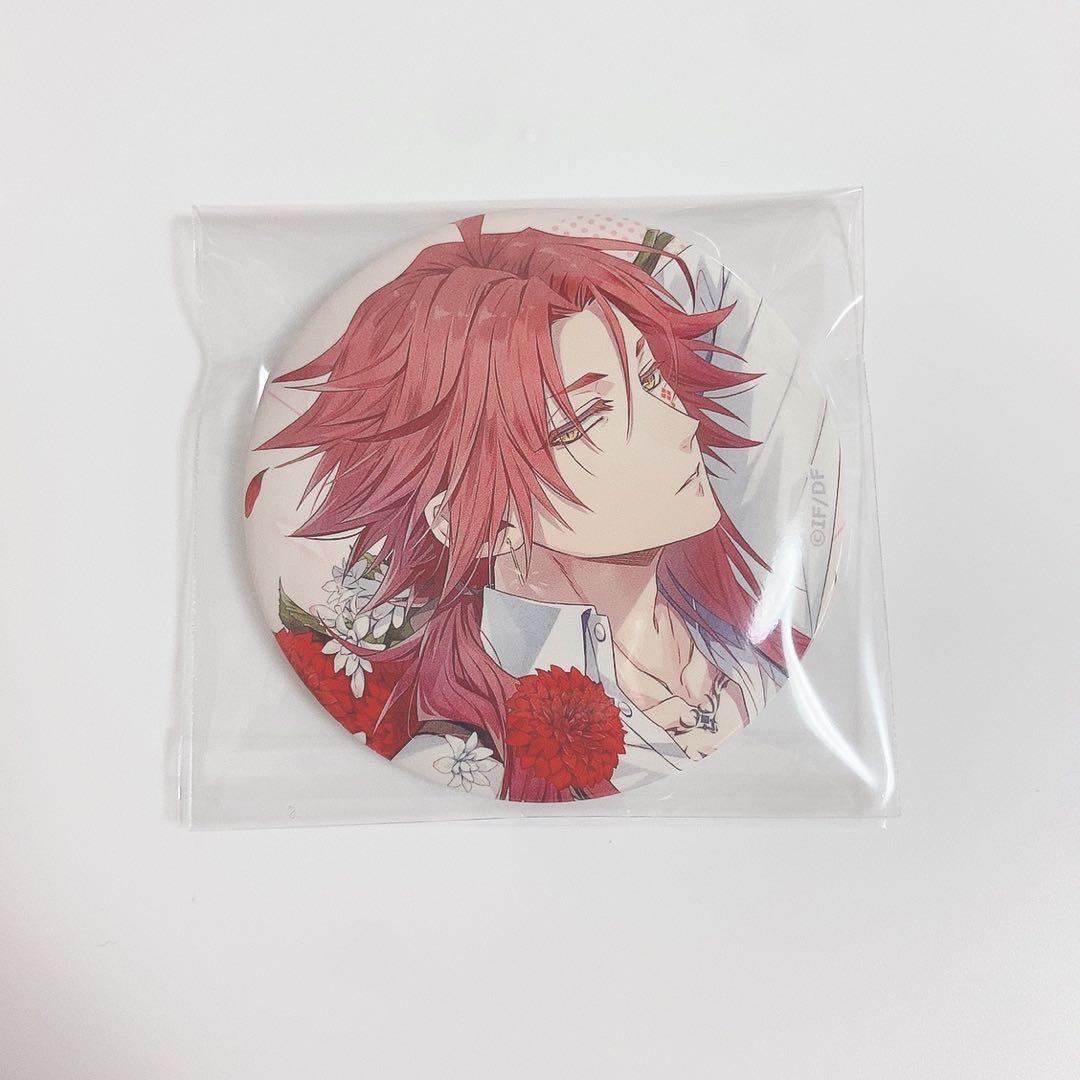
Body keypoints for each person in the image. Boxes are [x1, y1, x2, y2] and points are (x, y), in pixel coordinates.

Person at [251, 215, 803, 802]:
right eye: (587, 419)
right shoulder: (467, 752)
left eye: (650, 380)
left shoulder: (748, 637)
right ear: (477, 518)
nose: (679, 424)